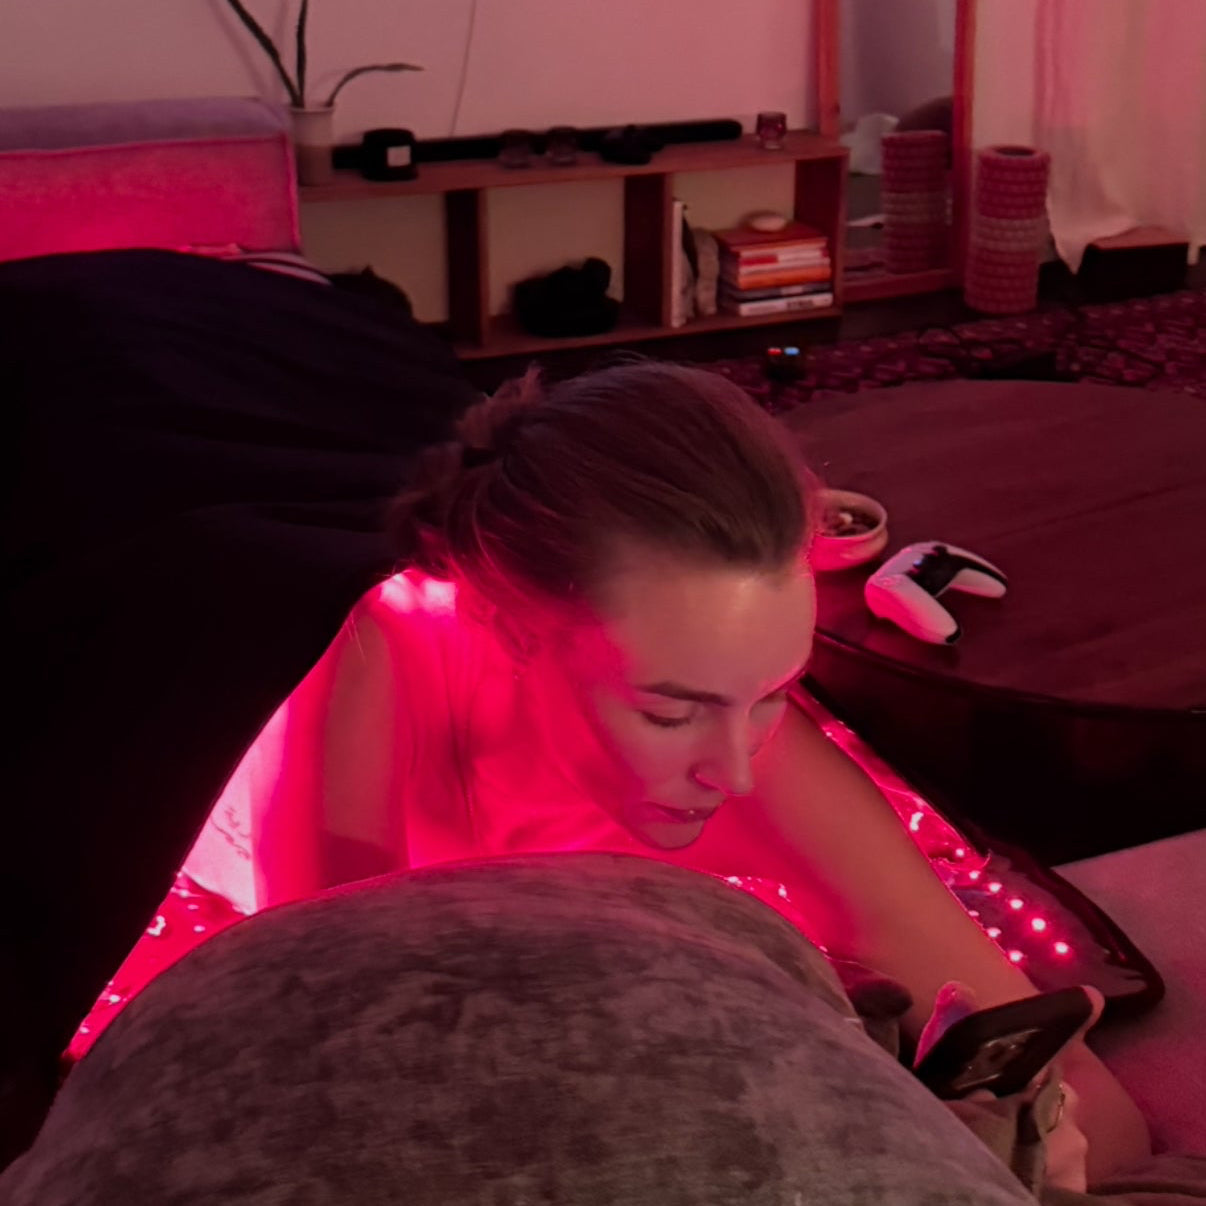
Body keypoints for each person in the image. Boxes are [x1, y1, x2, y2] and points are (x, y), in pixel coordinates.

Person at [229, 359, 1147, 1187]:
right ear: (508, 629)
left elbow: (1100, 1112)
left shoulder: (746, 750)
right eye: (670, 711)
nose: (736, 771)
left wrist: (1034, 1140)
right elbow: (331, 1068)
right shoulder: (373, 664)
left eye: (775, 694)